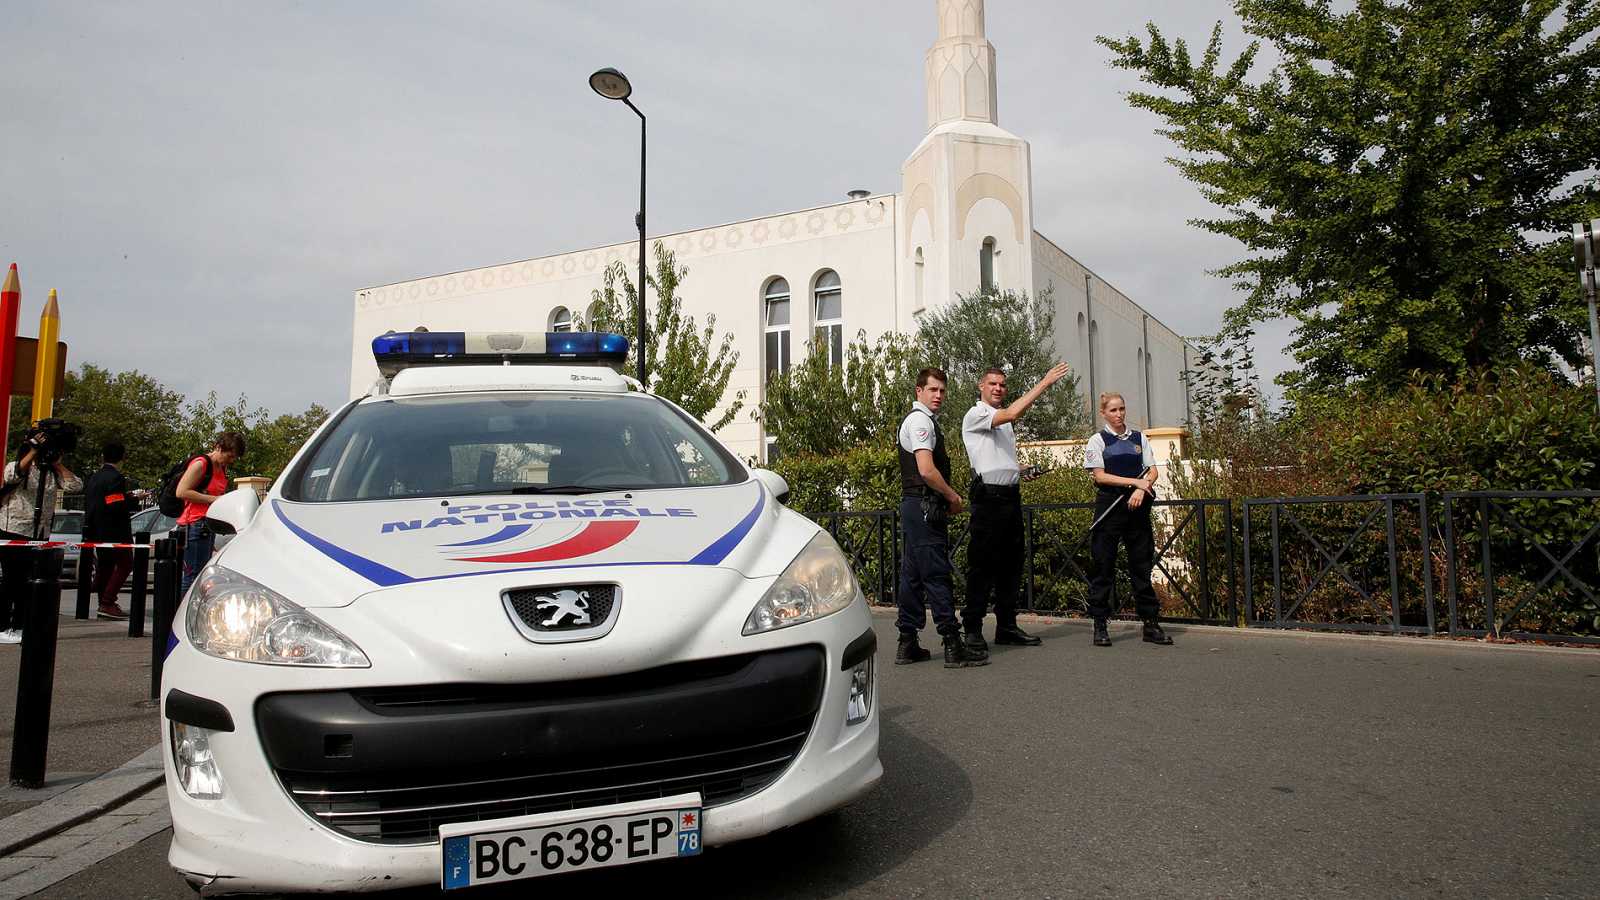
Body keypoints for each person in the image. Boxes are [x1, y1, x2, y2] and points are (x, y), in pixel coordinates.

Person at [959, 362, 1072, 659]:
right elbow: (1012, 412)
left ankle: (1006, 626)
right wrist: (1044, 382)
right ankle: (971, 629)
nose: (998, 389)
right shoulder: (977, 413)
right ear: (980, 387)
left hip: (1010, 496)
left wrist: (1020, 470)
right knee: (982, 565)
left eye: (1002, 385)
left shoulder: (1003, 424)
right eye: (992, 384)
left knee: (1011, 564)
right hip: (987, 497)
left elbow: (1000, 459)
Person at [895, 367, 985, 668]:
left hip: (914, 505)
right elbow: (926, 470)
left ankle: (907, 642)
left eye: (942, 391)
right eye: (933, 390)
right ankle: (952, 643)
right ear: (919, 391)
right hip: (924, 505)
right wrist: (952, 496)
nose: (939, 396)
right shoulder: (920, 421)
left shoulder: (920, 420)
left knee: (912, 575)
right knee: (936, 573)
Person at [1083, 392, 1173, 647]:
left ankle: (1151, 624)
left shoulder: (1138, 437)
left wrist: (1139, 490)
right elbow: (1099, 476)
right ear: (1104, 414)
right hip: (1109, 508)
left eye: (1122, 408)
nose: (1119, 414)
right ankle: (1100, 624)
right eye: (1113, 410)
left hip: (1137, 507)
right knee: (1103, 567)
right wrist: (1136, 482)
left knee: (1141, 566)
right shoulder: (1097, 440)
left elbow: (1152, 470)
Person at [0, 431, 83, 644]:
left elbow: (75, 485)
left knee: (31, 583)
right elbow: (12, 475)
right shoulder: (18, 465)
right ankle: (5, 625)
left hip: (40, 533)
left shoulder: (52, 472)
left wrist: (57, 464)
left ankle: (22, 625)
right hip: (14, 530)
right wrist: (33, 451)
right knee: (12, 582)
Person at [176, 431, 245, 597]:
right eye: (230, 456)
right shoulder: (201, 464)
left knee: (200, 575)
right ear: (219, 448)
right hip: (194, 524)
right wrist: (215, 499)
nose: (232, 460)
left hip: (207, 525)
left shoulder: (221, 468)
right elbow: (182, 491)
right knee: (192, 577)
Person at [83, 441, 134, 620]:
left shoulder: (94, 477)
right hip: (115, 531)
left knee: (105, 566)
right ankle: (107, 601)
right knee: (126, 564)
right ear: (122, 458)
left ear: (102, 456)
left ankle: (102, 601)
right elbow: (115, 504)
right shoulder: (116, 478)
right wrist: (132, 500)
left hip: (95, 529)